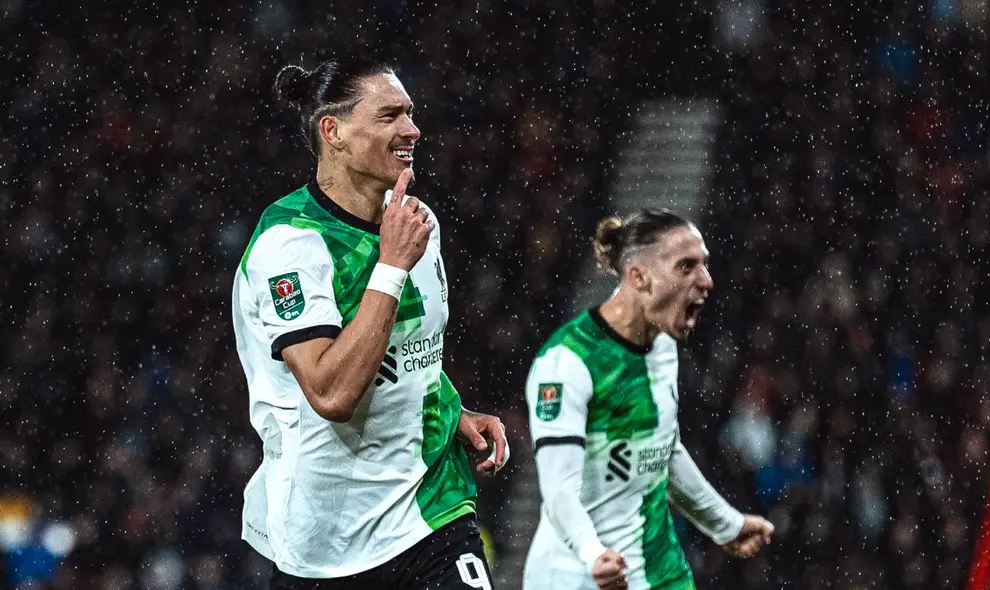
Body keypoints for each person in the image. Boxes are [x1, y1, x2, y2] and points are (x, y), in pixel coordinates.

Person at [231, 57, 509, 590]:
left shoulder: (415, 223)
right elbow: (332, 394)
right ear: (332, 131)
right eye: (389, 116)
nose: (412, 129)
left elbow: (411, 348)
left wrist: (453, 407)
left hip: (431, 510)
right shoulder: (290, 244)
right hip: (326, 543)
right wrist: (389, 267)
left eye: (410, 114)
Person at [522, 209, 774, 590]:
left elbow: (664, 450)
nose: (706, 281)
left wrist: (725, 524)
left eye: (704, 265)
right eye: (686, 267)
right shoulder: (568, 363)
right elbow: (559, 489)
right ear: (638, 277)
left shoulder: (662, 346)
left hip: (660, 572)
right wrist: (593, 554)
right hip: (580, 576)